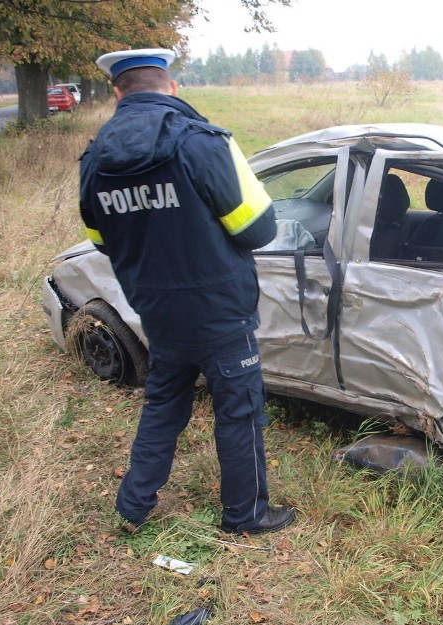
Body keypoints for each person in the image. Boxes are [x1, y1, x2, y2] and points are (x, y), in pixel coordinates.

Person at [79, 48, 295, 535]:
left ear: (119, 92)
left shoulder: (94, 160)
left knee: (163, 405)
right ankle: (246, 515)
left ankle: (132, 509)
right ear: (171, 87)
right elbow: (259, 229)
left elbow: (101, 242)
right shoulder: (204, 142)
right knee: (239, 413)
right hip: (221, 314)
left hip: (157, 310)